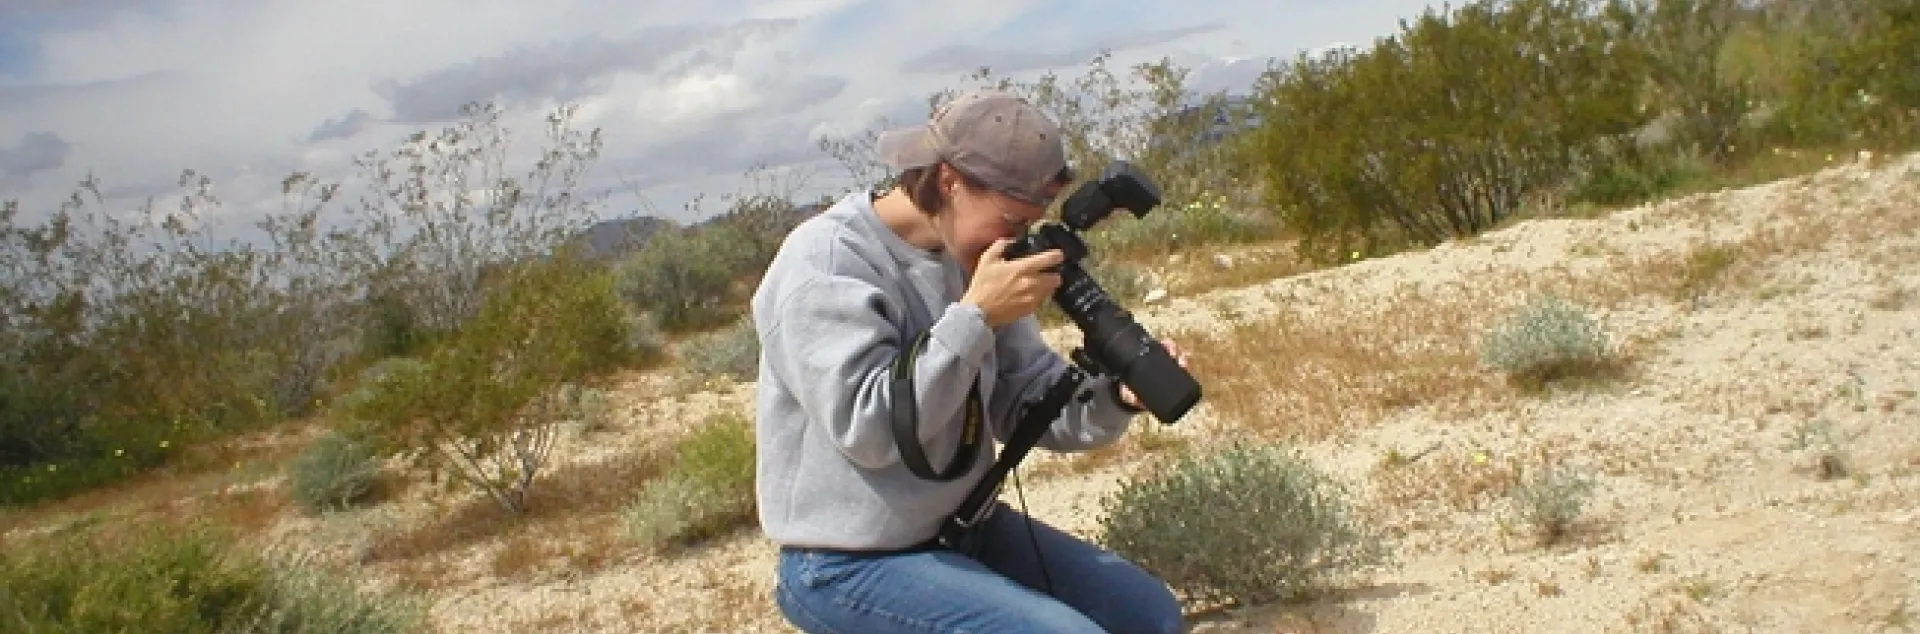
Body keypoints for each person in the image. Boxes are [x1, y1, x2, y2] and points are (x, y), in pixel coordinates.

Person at [748, 88, 1190, 634]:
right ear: (950, 179)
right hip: (847, 561)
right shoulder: (826, 264)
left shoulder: (970, 253)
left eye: (1030, 223)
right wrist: (976, 315)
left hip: (965, 527)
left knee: (1150, 617)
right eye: (1010, 219)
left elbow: (1024, 397)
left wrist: (1117, 398)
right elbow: (871, 431)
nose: (1017, 239)